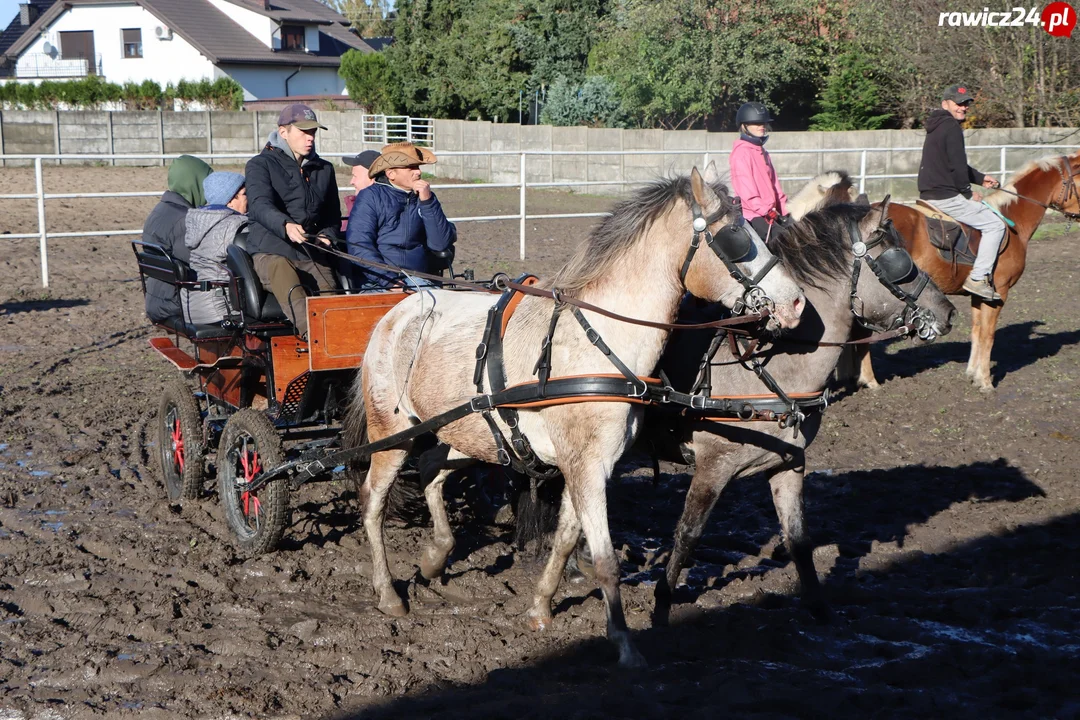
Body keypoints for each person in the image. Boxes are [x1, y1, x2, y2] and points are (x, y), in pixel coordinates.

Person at [244, 104, 341, 337]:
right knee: (281, 268)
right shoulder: (259, 165)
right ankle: (313, 336)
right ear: (283, 132)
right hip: (270, 251)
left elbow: (332, 215)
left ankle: (338, 341)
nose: (310, 138)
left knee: (333, 300)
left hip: (310, 252)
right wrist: (285, 225)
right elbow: (258, 204)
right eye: (304, 132)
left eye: (313, 133)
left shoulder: (324, 169)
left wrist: (328, 234)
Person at [918, 83, 1004, 301]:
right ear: (945, 103)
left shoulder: (937, 126)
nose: (963, 107)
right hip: (946, 196)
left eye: (966, 104)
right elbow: (956, 167)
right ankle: (978, 277)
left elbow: (955, 164)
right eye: (959, 103)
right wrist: (967, 193)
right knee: (995, 225)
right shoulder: (952, 128)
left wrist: (979, 178)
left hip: (929, 193)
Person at [346, 142, 457, 289]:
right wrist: (388, 280)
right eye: (410, 167)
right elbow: (359, 244)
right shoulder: (370, 197)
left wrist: (428, 203)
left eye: (417, 167)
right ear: (391, 174)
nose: (417, 172)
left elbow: (441, 244)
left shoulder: (426, 198)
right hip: (378, 281)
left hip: (421, 279)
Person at [141, 155, 213, 322]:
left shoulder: (159, 210)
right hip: (176, 303)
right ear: (194, 183)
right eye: (206, 183)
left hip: (157, 298)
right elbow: (201, 264)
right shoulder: (184, 220)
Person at [181, 171, 249, 326]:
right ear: (230, 200)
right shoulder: (236, 226)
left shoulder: (199, 222)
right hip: (221, 309)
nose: (249, 198)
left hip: (193, 305)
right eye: (245, 193)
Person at [729, 102, 789, 243]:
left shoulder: (763, 152)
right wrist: (766, 211)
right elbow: (746, 192)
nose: (762, 126)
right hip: (753, 215)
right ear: (744, 126)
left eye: (763, 123)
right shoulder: (741, 153)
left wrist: (787, 210)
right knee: (785, 242)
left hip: (770, 213)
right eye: (756, 123)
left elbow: (776, 187)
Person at [340, 149, 381, 233]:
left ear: (372, 179)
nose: (351, 182)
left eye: (355, 176)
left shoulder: (370, 213)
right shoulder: (357, 204)